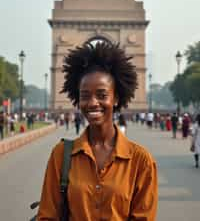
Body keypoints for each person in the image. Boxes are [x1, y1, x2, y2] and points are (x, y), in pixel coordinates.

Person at [37, 42, 158, 220]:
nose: (93, 103)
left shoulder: (141, 161)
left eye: (102, 95)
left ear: (116, 98)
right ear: (77, 99)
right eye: (85, 96)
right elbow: (47, 216)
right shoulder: (61, 155)